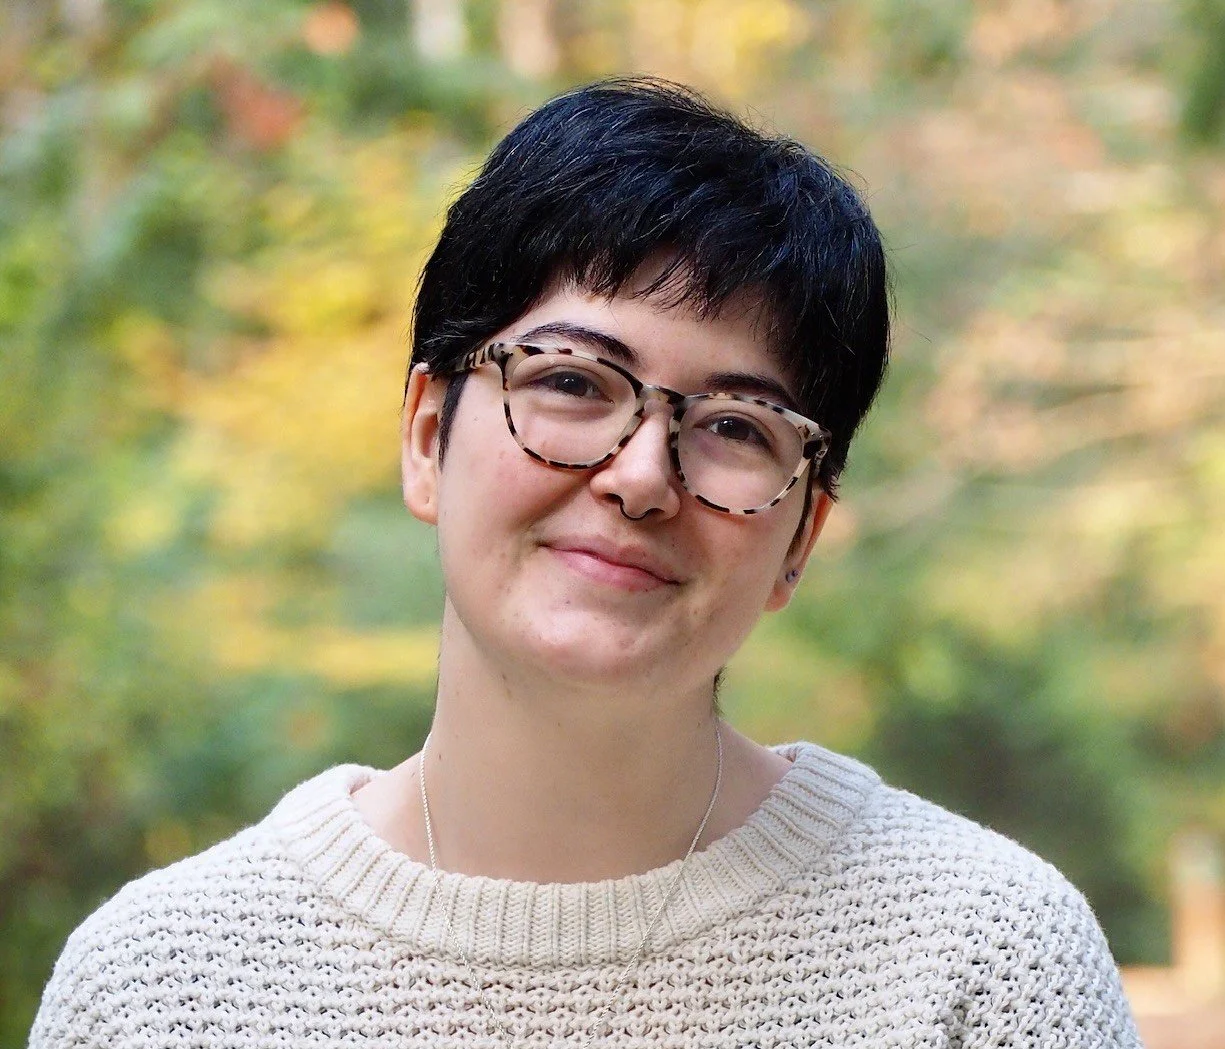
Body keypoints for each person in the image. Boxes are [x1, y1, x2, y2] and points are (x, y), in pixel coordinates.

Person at [29, 79, 1141, 1048]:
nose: (640, 475)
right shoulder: (160, 987)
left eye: (738, 426)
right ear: (426, 436)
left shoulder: (979, 959)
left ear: (800, 534)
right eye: (570, 382)